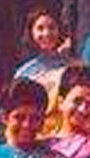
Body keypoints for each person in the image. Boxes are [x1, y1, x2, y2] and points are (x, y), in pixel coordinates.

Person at [13, 8, 76, 136]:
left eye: (52, 28)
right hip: (35, 134)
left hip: (67, 134)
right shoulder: (24, 73)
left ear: (59, 31)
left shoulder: (75, 67)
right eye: (40, 28)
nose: (46, 33)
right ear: (31, 33)